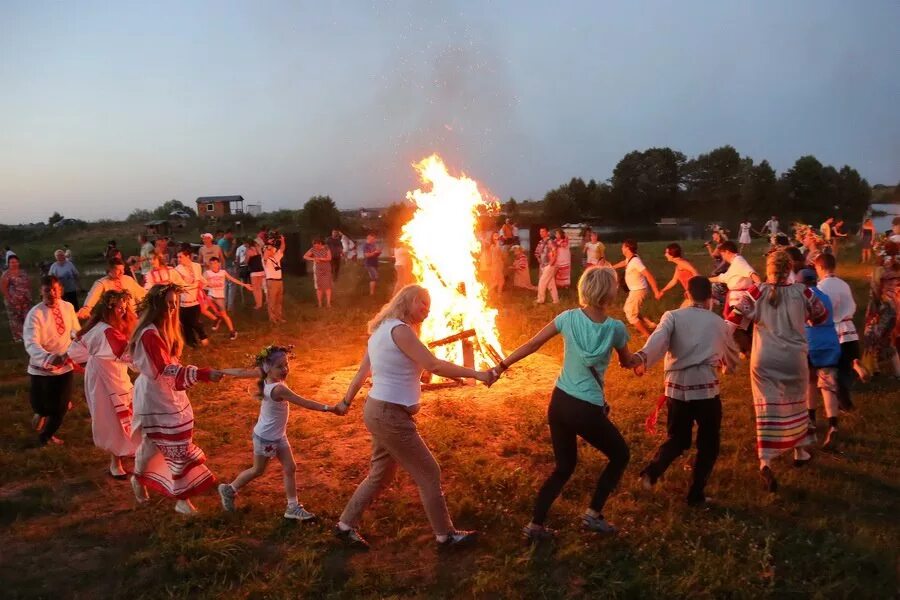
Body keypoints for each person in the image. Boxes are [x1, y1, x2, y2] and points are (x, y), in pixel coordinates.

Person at [333, 285, 495, 549]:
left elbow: (363, 372)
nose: (427, 309)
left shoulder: (380, 332)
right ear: (407, 301)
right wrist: (476, 374)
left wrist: (346, 401)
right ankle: (446, 536)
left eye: (429, 306)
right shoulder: (400, 330)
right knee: (429, 471)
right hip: (390, 414)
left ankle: (344, 525)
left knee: (380, 475)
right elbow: (434, 364)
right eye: (422, 303)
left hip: (377, 410)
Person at [492, 267, 634, 541]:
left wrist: (501, 366)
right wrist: (639, 359)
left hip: (560, 403)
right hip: (587, 409)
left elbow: (533, 344)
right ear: (609, 292)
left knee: (564, 466)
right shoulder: (615, 329)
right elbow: (627, 362)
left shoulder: (567, 318)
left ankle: (535, 525)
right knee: (620, 455)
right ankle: (593, 515)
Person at [632, 276, 739, 505]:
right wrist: (728, 364)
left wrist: (642, 358)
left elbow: (658, 339)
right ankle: (696, 493)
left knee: (678, 438)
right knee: (709, 443)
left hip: (677, 388)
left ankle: (651, 473)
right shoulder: (718, 322)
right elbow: (731, 358)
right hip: (706, 390)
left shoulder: (672, 316)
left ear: (687, 294)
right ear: (710, 297)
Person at [729, 251, 828, 492]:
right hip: (794, 359)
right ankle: (800, 452)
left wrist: (737, 345)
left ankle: (766, 461)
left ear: (769, 268)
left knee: (767, 407)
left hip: (765, 359)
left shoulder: (757, 292)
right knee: (796, 403)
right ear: (790, 269)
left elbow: (733, 318)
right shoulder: (803, 292)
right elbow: (821, 315)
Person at [128, 284, 228, 515]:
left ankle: (139, 478)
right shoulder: (150, 334)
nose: (173, 308)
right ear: (157, 305)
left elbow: (169, 367)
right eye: (168, 303)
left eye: (175, 303)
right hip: (156, 396)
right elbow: (165, 371)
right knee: (174, 444)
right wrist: (202, 374)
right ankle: (181, 498)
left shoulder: (165, 329)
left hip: (168, 394)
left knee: (157, 443)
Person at [217, 345, 343, 519]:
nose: (285, 369)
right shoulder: (279, 389)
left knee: (290, 467)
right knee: (257, 470)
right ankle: (228, 489)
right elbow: (304, 402)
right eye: (280, 366)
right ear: (268, 369)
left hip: (278, 435)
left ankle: (292, 507)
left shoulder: (265, 375)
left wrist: (221, 371)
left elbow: (240, 372)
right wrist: (330, 408)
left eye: (286, 364)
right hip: (266, 438)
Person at [68, 290, 138, 478]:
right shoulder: (106, 331)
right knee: (112, 419)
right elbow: (130, 355)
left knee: (124, 415)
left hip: (112, 376)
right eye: (119, 308)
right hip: (104, 380)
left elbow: (75, 350)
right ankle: (116, 463)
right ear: (108, 309)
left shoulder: (102, 327)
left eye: (125, 308)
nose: (123, 311)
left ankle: (129, 454)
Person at [23, 276, 80, 445]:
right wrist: (49, 358)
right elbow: (31, 342)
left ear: (60, 290)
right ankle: (41, 413)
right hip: (41, 367)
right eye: (47, 290)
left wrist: (78, 346)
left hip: (64, 366)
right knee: (40, 406)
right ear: (41, 291)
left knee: (60, 407)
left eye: (55, 289)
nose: (52, 293)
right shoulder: (35, 314)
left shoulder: (68, 307)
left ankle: (45, 436)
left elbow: (75, 331)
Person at [796, 269, 842, 451]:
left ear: (803, 282)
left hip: (811, 343)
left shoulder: (803, 297)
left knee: (810, 382)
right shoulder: (825, 296)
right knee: (827, 385)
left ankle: (811, 420)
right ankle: (833, 424)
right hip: (830, 342)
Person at [814, 254, 867, 412]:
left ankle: (845, 405)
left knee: (835, 370)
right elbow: (853, 305)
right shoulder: (843, 284)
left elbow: (823, 309)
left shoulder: (821, 286)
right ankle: (855, 363)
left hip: (835, 331)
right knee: (846, 366)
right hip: (849, 329)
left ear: (821, 268)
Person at [709, 241, 761, 350]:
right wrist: (705, 280)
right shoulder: (735, 264)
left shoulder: (739, 262)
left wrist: (758, 289)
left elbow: (753, 274)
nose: (722, 257)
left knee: (736, 327)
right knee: (740, 327)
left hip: (740, 300)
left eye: (722, 254)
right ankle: (748, 349)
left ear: (727, 252)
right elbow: (723, 277)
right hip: (737, 299)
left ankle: (747, 350)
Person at [862, 241, 900, 378]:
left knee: (871, 335)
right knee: (888, 339)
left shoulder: (881, 269)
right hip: (897, 305)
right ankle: (894, 371)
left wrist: (873, 309)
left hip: (885, 307)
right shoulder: (897, 266)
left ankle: (871, 368)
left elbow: (875, 290)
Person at [612, 239, 660, 337]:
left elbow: (648, 275)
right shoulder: (631, 258)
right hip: (635, 290)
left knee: (631, 315)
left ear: (627, 248)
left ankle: (648, 335)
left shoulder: (635, 261)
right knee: (629, 309)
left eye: (623, 246)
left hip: (639, 290)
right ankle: (649, 324)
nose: (621, 248)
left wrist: (656, 291)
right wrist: (612, 267)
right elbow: (624, 262)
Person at [79, 258, 147, 319]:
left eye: (123, 269)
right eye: (118, 270)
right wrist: (86, 309)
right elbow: (92, 298)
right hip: (112, 318)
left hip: (131, 316)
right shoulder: (102, 283)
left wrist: (151, 296)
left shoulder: (128, 280)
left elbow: (141, 293)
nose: (122, 272)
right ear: (110, 270)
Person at [204, 256, 251, 338]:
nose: (214, 265)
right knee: (203, 309)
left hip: (220, 297)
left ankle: (232, 331)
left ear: (219, 264)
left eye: (215, 263)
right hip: (210, 295)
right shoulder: (207, 273)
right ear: (209, 265)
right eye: (211, 264)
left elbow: (233, 279)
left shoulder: (223, 272)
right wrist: (208, 285)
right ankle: (216, 319)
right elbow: (202, 284)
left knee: (224, 315)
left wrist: (244, 284)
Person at [174, 249, 209, 347]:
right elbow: (179, 284)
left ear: (188, 256)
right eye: (178, 257)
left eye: (181, 257)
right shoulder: (177, 269)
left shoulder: (197, 266)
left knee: (194, 321)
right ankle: (192, 343)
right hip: (183, 302)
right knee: (185, 324)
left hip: (195, 300)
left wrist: (206, 284)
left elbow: (200, 278)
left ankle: (202, 335)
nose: (178, 259)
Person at [656, 243, 699, 308]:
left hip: (695, 293)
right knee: (682, 312)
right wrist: (662, 291)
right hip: (691, 294)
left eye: (667, 253)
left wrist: (690, 289)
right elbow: (674, 281)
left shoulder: (682, 263)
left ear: (672, 254)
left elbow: (695, 272)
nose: (665, 255)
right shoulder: (678, 266)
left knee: (683, 313)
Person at [1, 255, 32, 342]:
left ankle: (28, 337)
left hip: (25, 301)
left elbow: (28, 284)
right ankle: (18, 338)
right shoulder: (6, 274)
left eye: (15, 262)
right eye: (11, 262)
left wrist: (29, 296)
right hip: (13, 302)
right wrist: (10, 299)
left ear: (18, 262)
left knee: (27, 318)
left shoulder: (23, 272)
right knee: (15, 320)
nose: (14, 264)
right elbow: (3, 288)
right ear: (8, 264)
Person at [303, 238, 333, 308]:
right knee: (319, 286)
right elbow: (305, 256)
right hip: (318, 269)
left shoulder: (326, 248)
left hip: (326, 268)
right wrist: (313, 259)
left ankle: (328, 303)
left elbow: (329, 258)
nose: (316, 247)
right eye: (314, 246)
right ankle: (320, 303)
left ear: (320, 243)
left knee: (328, 286)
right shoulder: (313, 249)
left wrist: (320, 259)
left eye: (317, 246)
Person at [263, 236, 286, 323]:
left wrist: (282, 240)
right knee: (272, 301)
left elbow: (282, 249)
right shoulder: (265, 259)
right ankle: (272, 318)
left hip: (279, 280)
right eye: (270, 248)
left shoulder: (276, 256)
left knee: (279, 301)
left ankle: (279, 317)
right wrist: (268, 244)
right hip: (271, 281)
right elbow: (266, 253)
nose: (273, 249)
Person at [534, 227, 559, 305]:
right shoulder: (540, 242)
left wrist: (551, 263)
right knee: (551, 284)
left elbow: (555, 253)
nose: (541, 233)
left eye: (543, 231)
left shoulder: (550, 241)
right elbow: (536, 253)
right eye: (540, 232)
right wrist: (539, 260)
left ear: (547, 232)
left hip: (549, 265)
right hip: (543, 265)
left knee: (542, 282)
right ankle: (556, 300)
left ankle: (540, 299)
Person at [246, 239, 266, 310]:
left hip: (254, 271)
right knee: (259, 288)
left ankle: (258, 304)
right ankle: (260, 303)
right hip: (261, 270)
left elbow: (246, 261)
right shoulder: (258, 249)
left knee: (255, 288)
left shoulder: (248, 251)